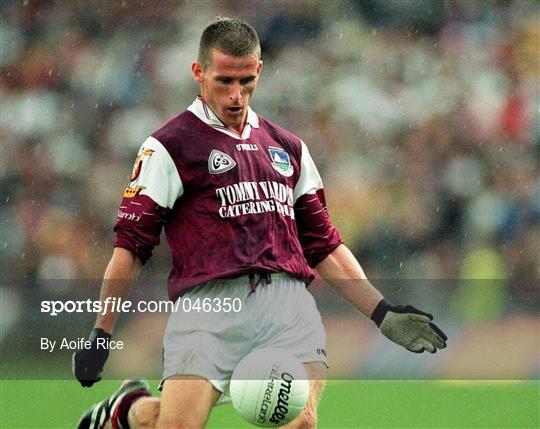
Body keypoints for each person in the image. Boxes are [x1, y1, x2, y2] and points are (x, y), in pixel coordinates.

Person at [73, 17, 447, 429]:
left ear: (260, 71)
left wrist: (382, 312)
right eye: (224, 81)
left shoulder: (288, 147)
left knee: (301, 422)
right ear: (198, 73)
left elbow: (323, 245)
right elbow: (131, 247)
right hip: (208, 308)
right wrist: (102, 333)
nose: (236, 95)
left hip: (286, 307)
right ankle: (128, 411)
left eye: (246, 81)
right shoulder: (168, 147)